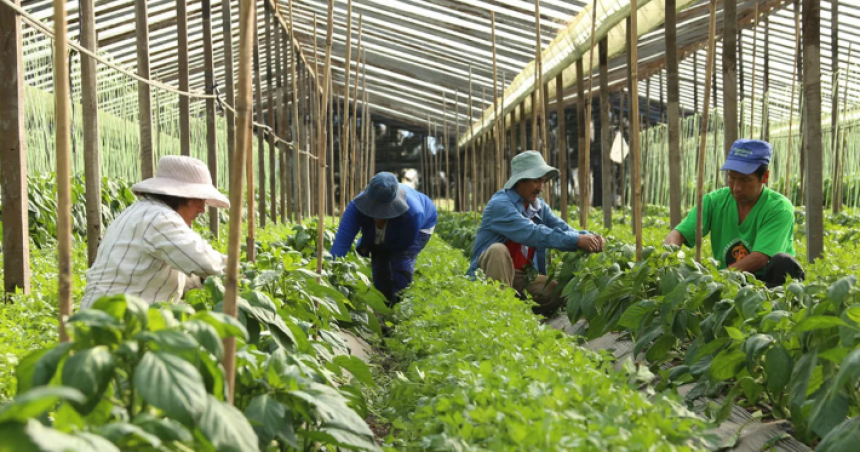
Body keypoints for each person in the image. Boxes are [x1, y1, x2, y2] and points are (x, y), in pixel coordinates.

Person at [469, 151, 606, 316]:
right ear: (520, 180)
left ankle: (519, 311)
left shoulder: (537, 205)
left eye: (542, 181)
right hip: (491, 272)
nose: (541, 187)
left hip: (521, 276)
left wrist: (590, 236)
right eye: (536, 181)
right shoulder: (500, 205)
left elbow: (563, 228)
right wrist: (577, 240)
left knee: (561, 294)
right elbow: (532, 233)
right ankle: (497, 313)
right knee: (497, 250)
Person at [81, 156, 229, 308]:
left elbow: (166, 276)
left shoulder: (144, 211)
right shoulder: (159, 218)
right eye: (200, 200)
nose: (202, 209)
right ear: (183, 196)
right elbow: (206, 263)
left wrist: (202, 280)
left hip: (106, 314)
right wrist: (237, 269)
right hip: (115, 321)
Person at [664, 139, 804, 288]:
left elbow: (760, 258)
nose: (736, 188)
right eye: (732, 177)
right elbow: (678, 234)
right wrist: (668, 257)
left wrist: (717, 279)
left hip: (768, 283)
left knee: (783, 262)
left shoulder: (778, 208)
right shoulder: (714, 201)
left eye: (745, 180)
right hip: (732, 282)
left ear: (764, 177)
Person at [330, 172, 437, 305]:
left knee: (402, 262)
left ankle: (400, 305)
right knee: (379, 263)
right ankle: (384, 304)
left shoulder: (412, 214)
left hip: (423, 225)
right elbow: (342, 241)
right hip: (397, 227)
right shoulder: (355, 207)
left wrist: (373, 244)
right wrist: (328, 271)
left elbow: (401, 246)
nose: (378, 215)